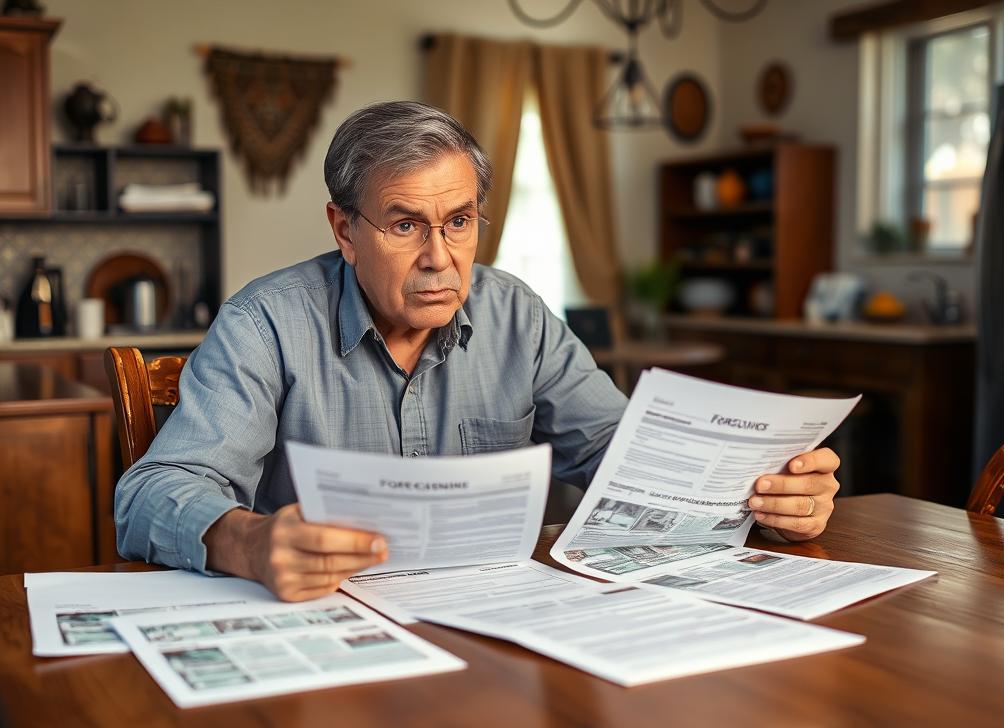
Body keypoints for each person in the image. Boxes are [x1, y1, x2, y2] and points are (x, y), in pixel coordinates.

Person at [115, 101, 841, 602]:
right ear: (344, 229)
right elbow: (147, 495)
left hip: (493, 629)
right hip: (329, 627)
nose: (442, 259)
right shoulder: (265, 322)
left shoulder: (517, 314)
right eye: (405, 225)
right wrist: (245, 542)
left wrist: (770, 501)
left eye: (459, 220)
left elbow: (628, 462)